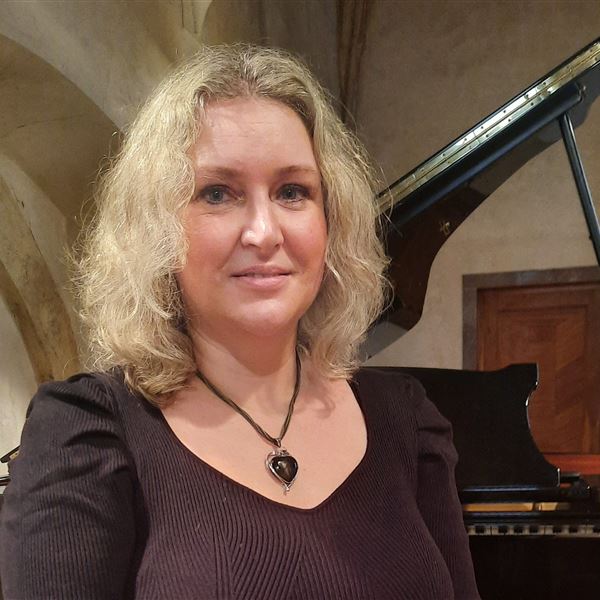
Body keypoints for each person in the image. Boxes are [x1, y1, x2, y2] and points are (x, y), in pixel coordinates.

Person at [0, 45, 479, 599]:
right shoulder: (88, 432)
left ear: (331, 220)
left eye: (292, 192)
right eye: (217, 193)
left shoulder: (407, 419)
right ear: (157, 230)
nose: (264, 232)